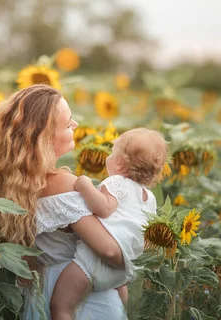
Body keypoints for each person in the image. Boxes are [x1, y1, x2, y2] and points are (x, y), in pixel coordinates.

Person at [0, 84, 127, 319]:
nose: (75, 125)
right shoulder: (65, 185)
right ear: (44, 138)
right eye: (68, 124)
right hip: (83, 300)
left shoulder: (7, 187)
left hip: (39, 295)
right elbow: (109, 250)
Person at [50, 128, 167, 320]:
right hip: (121, 273)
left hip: (92, 261)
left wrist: (84, 184)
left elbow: (103, 208)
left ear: (120, 163)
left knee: (60, 307)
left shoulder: (117, 182)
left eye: (113, 152)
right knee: (119, 312)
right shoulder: (149, 198)